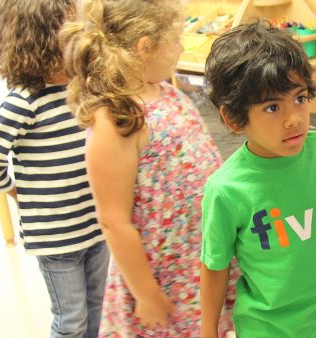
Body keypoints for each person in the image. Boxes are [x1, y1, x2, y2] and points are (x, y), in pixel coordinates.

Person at [200, 21, 316, 338]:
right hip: (267, 330)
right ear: (233, 118)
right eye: (272, 107)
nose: (294, 118)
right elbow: (215, 265)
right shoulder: (225, 190)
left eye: (300, 98)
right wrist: (208, 330)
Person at [61, 0, 227, 336]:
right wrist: (145, 293)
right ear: (145, 48)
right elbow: (113, 220)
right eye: (176, 39)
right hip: (161, 276)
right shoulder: (115, 119)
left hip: (196, 262)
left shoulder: (166, 92)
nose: (181, 47)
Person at [0, 1, 108, 337]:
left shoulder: (83, 88)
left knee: (99, 308)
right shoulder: (24, 101)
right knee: (71, 320)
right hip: (54, 236)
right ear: (42, 42)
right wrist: (17, 193)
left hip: (95, 226)